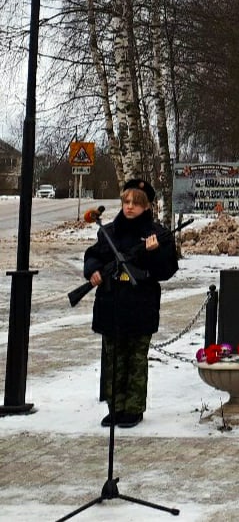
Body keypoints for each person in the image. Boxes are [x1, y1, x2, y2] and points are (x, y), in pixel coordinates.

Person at [83, 179, 178, 428]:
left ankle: (133, 408)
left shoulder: (157, 234)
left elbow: (167, 270)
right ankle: (115, 407)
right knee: (113, 357)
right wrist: (92, 270)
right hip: (111, 302)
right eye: (126, 202)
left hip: (140, 304)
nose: (130, 207)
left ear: (147, 207)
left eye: (136, 203)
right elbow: (93, 255)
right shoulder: (110, 232)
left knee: (136, 358)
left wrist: (154, 252)